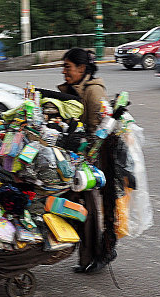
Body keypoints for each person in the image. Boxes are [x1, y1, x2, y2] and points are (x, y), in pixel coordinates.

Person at [57, 48, 118, 274]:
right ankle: (91, 254)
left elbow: (99, 132)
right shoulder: (75, 89)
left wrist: (85, 162)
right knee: (77, 207)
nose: (64, 72)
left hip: (92, 163)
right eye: (63, 67)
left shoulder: (94, 92)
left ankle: (99, 255)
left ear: (82, 69)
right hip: (77, 159)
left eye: (68, 67)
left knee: (89, 210)